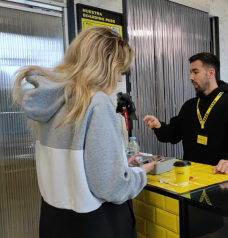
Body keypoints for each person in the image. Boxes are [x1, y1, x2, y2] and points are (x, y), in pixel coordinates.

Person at [13, 27, 156, 238]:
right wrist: (140, 173)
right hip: (96, 224)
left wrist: (118, 164)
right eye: (118, 70)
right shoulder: (97, 102)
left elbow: (75, 169)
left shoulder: (52, 102)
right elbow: (111, 188)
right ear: (103, 66)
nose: (118, 79)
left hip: (54, 219)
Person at [143, 52, 228, 174]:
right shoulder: (190, 105)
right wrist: (158, 126)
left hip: (221, 176)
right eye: (191, 72)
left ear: (211, 73)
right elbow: (173, 134)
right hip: (192, 177)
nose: (191, 77)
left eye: (195, 72)